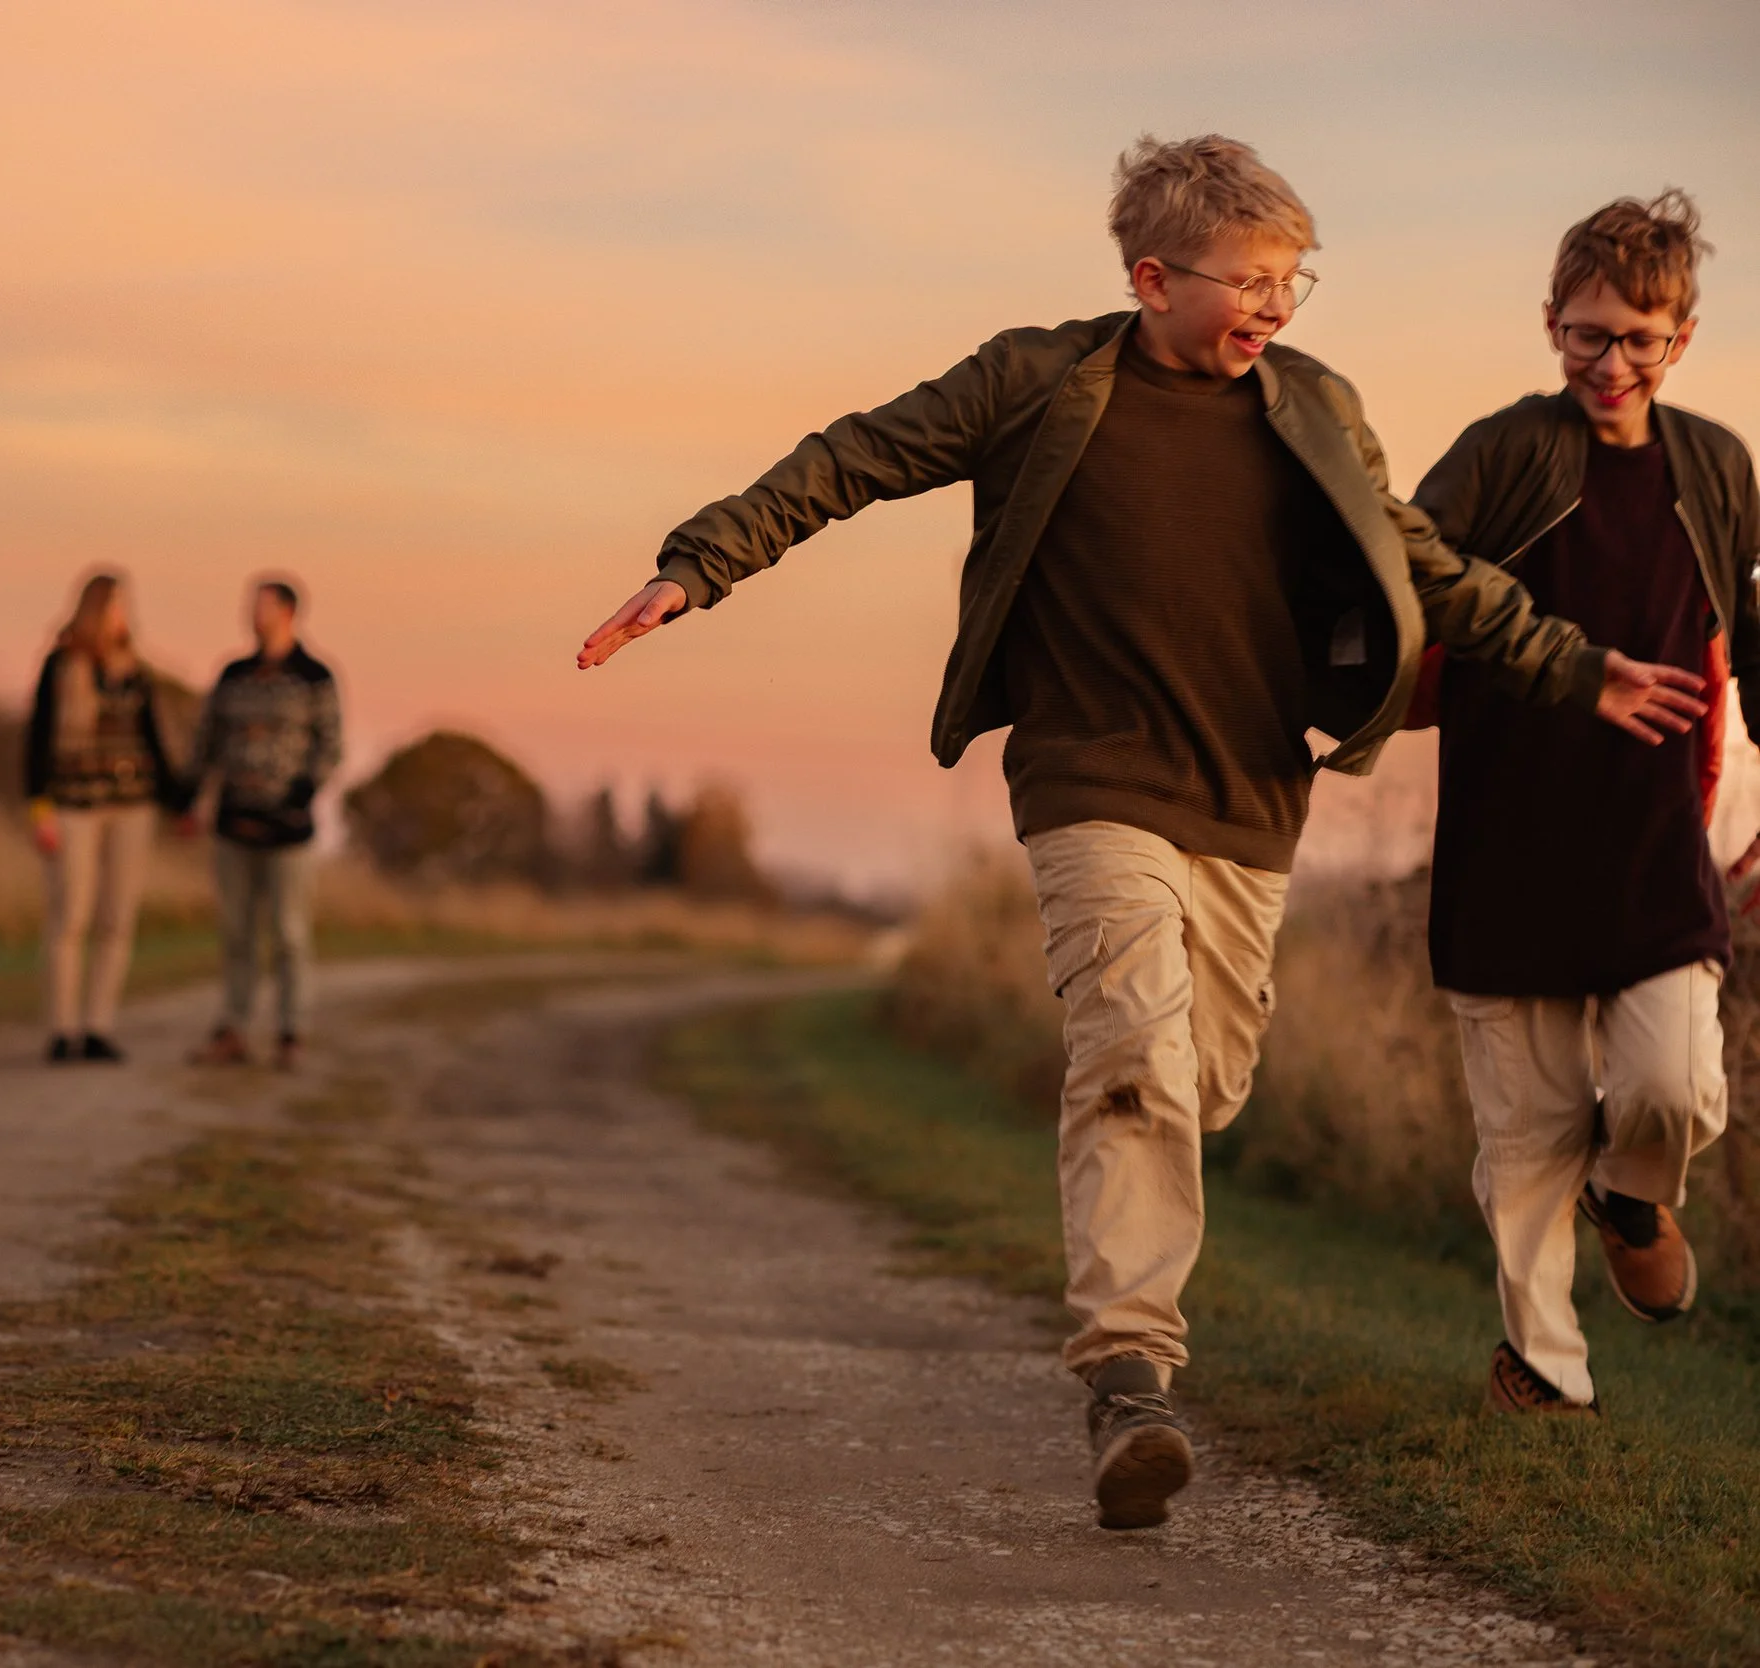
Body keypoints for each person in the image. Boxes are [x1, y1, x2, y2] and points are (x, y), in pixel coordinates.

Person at [574, 134, 1705, 1531]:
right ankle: (1130, 1370)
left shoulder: (1315, 410)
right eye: (1253, 283)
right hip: (1088, 783)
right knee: (1131, 1052)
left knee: (1203, 1077)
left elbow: (1435, 571)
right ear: (1154, 277)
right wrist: (700, 563)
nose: (1278, 308)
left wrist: (1574, 668)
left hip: (1246, 801)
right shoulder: (1040, 381)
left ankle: (1143, 1302)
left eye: (1296, 282)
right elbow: (852, 458)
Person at [1408, 192, 1756, 1415]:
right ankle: (1545, 1375)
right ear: (1549, 324)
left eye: (1638, 340)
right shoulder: (1503, 450)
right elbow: (1406, 555)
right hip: (1509, 837)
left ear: (1682, 340)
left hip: (1655, 843)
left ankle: (1630, 1188)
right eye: (1586, 335)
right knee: (1525, 1139)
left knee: (1675, 1086)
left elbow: (1741, 629)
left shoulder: (1715, 464)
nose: (1610, 364)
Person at [25, 571, 186, 1064]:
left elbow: (154, 742)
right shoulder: (60, 667)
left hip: (132, 806)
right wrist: (39, 807)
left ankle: (98, 1024)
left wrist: (180, 801)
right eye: (115, 606)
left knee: (117, 917)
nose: (123, 615)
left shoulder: (136, 672)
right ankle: (62, 1028)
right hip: (74, 805)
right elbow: (36, 740)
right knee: (70, 913)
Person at [183, 578, 342, 1073]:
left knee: (290, 933)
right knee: (237, 932)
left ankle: (291, 1033)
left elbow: (330, 746)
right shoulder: (233, 675)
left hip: (288, 829)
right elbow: (206, 741)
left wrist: (301, 794)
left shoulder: (315, 677)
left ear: (289, 613)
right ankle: (234, 1028)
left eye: (263, 607)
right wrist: (189, 797)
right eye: (250, 606)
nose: (253, 615)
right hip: (234, 822)